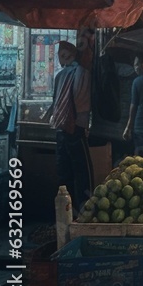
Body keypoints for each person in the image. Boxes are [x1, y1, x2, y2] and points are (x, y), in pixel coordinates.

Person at [49, 40, 93, 212]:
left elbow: (55, 103)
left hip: (61, 130)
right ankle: (82, 209)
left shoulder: (60, 75)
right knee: (82, 171)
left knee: (64, 172)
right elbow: (83, 105)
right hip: (75, 129)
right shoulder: (82, 73)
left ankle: (66, 211)